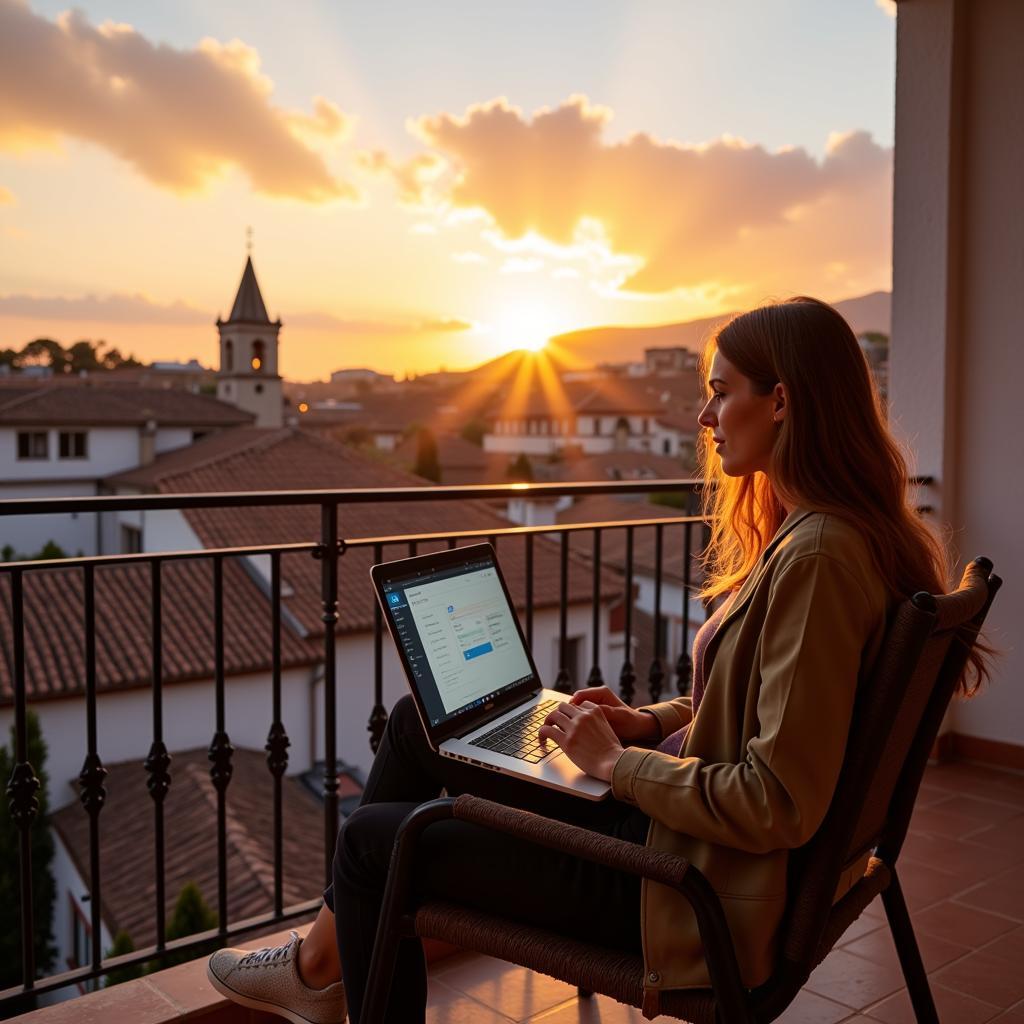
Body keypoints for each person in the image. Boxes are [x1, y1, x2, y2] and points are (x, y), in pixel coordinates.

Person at [207, 297, 982, 1024]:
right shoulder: (839, 536)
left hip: (681, 892)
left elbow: (776, 799)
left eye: (721, 392)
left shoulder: (817, 558)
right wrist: (645, 722)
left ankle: (317, 974)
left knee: (374, 842)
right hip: (688, 847)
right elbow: (764, 716)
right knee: (420, 723)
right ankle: (316, 969)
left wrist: (617, 766)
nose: (705, 415)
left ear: (781, 400)